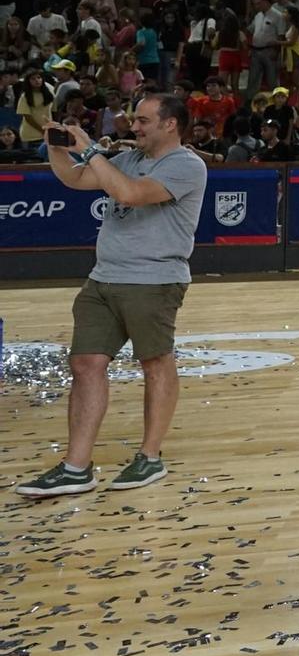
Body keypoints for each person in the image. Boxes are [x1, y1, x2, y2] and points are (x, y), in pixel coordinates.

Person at [16, 93, 208, 498]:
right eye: (133, 120)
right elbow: (76, 179)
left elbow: (130, 195)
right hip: (103, 279)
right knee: (85, 363)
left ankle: (150, 456)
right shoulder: (129, 159)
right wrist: (58, 149)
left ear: (170, 123)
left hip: (154, 280)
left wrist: (90, 151)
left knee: (155, 362)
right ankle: (76, 467)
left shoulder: (187, 166)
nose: (133, 127)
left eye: (143, 120)